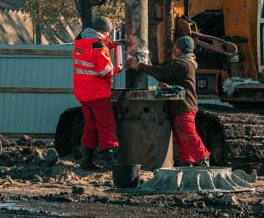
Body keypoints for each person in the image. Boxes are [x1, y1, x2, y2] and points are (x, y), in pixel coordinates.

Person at [128, 36, 211, 166]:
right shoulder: (186, 64)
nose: (174, 49)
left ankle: (203, 158)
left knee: (188, 134)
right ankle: (187, 161)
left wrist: (139, 66)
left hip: (184, 106)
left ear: (181, 50)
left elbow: (163, 73)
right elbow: (168, 76)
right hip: (182, 106)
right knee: (182, 137)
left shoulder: (183, 65)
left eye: (176, 47)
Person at [72, 16, 120, 169]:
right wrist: (117, 68)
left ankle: (87, 160)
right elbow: (105, 70)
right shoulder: (99, 46)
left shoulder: (80, 42)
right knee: (106, 125)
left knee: (90, 125)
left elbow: (91, 56)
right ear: (106, 31)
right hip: (98, 93)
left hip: (83, 93)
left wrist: (108, 46)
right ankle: (109, 158)